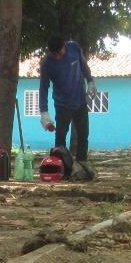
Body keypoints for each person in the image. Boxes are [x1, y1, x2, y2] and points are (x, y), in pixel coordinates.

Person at [38, 35, 96, 165]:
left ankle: (82, 165)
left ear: (64, 45)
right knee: (60, 137)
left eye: (60, 52)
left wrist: (90, 81)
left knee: (83, 135)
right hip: (62, 105)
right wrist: (44, 112)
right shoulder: (47, 64)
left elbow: (84, 66)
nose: (58, 56)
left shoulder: (74, 48)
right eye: (55, 54)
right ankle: (61, 167)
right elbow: (43, 88)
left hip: (80, 101)